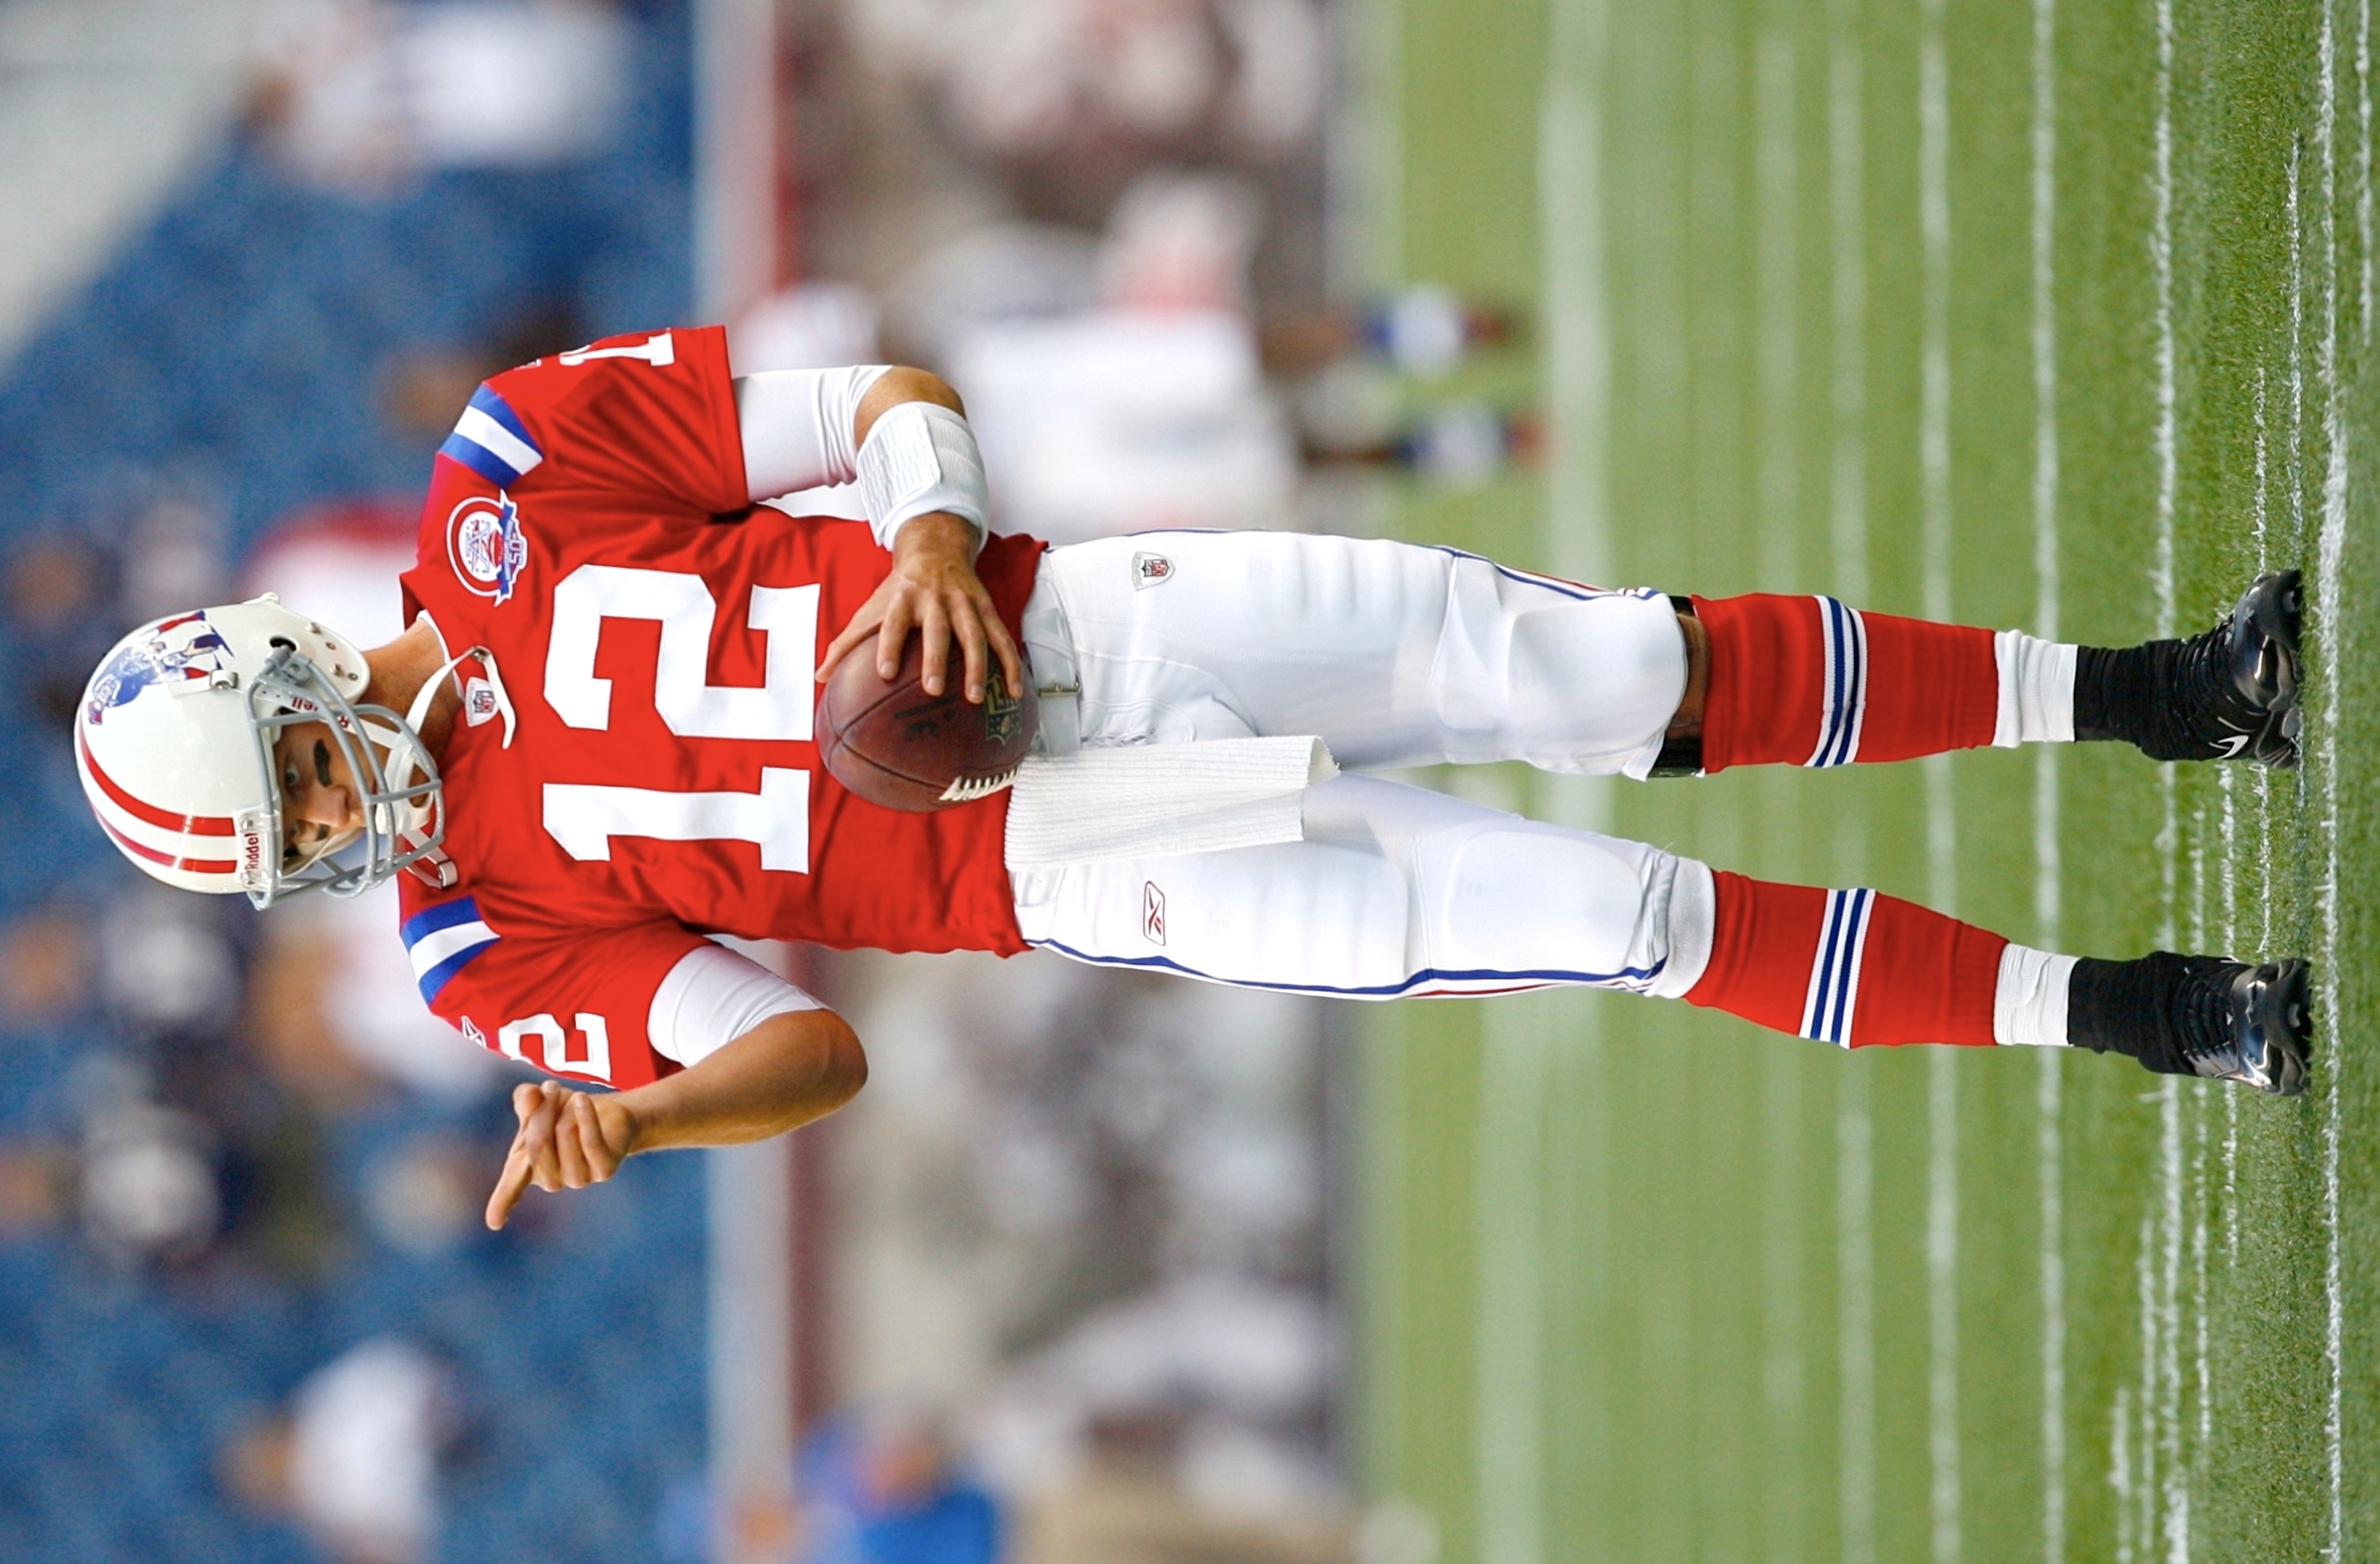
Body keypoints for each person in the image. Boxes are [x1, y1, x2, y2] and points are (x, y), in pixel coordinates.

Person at [72, 327, 2313, 1232]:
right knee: (1623, 912)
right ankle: (2146, 1010)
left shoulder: (505, 469)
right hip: (1091, 850)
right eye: (302, 836)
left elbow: (883, 398)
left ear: (264, 655)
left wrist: (930, 537)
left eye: (295, 763)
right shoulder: (480, 944)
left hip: (1091, 618)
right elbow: (812, 1045)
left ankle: (2158, 692)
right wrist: (653, 1118)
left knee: (1613, 665)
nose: (344, 811)